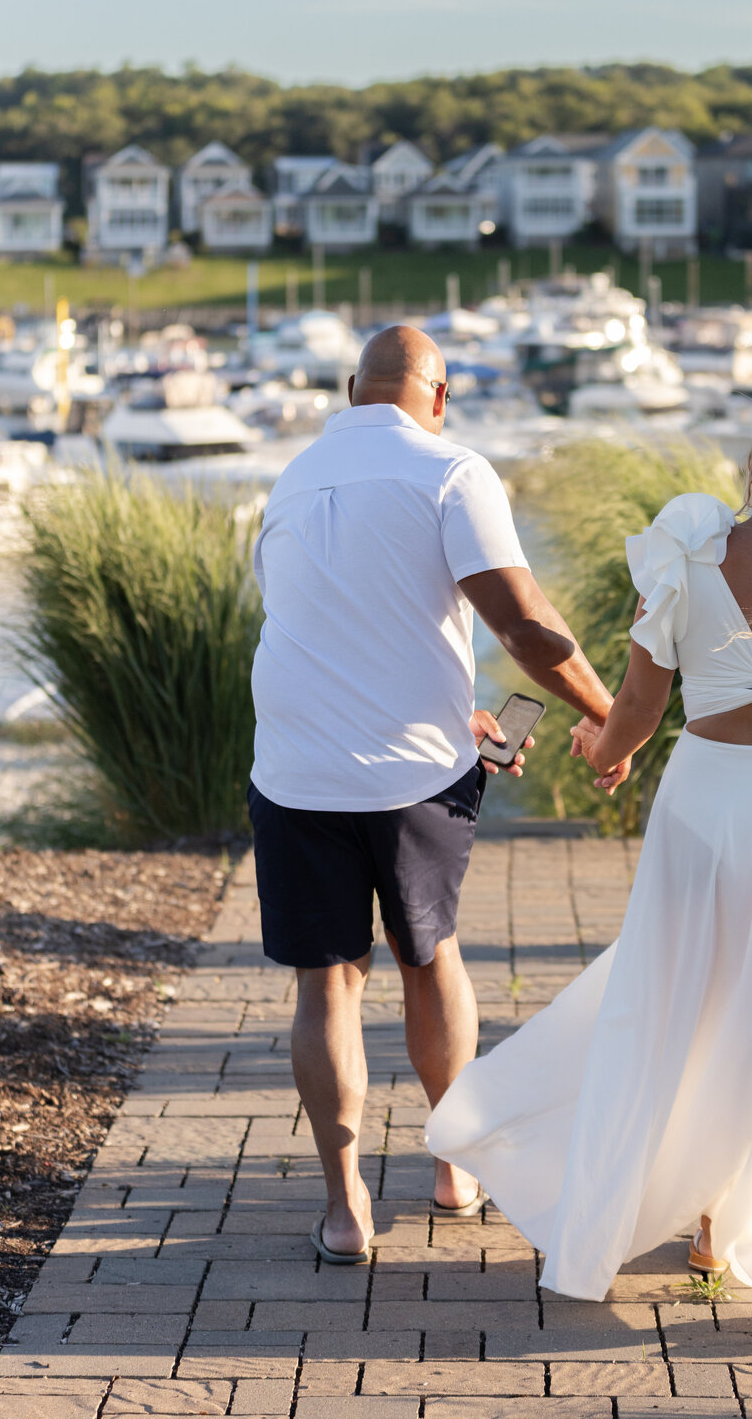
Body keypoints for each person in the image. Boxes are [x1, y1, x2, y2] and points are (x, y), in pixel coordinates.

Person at [426, 368, 752, 1337]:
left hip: (704, 805)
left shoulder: (689, 555)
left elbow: (637, 710)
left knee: (675, 1011)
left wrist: (604, 753)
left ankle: (673, 1230)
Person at [247, 324, 615, 1266]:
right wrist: (612, 713)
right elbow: (526, 628)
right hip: (412, 774)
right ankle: (454, 1168)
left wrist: (465, 711)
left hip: (293, 770)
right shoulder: (453, 472)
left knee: (325, 981)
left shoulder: (290, 481)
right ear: (439, 396)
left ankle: (344, 1211)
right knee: (429, 956)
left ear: (350, 389)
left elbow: (337, 628)